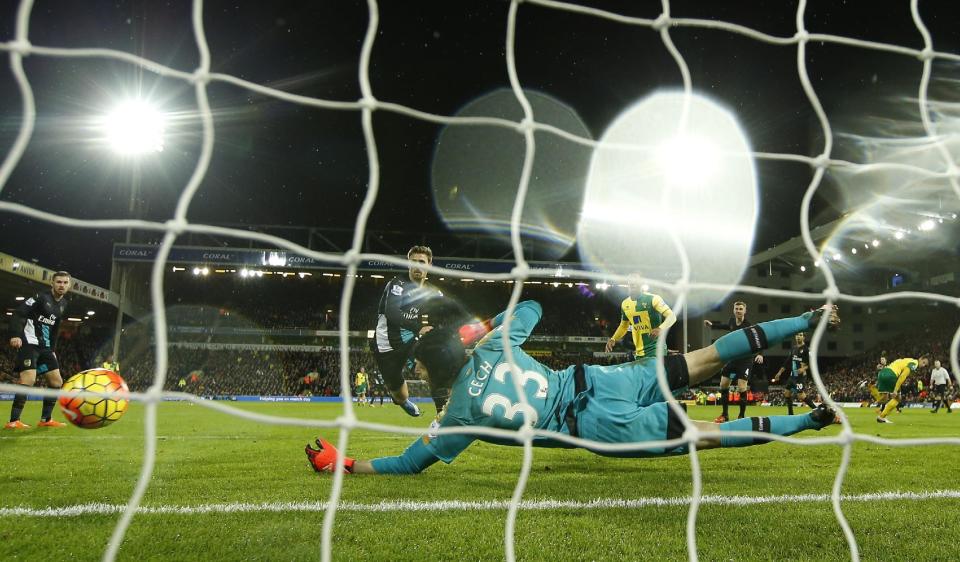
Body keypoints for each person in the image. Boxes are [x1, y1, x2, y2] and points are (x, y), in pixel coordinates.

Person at [305, 300, 840, 475]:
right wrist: (485, 328)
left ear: (433, 372)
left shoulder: (459, 417)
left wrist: (346, 463)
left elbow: (405, 463)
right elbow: (534, 306)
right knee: (703, 359)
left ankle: (810, 422)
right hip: (600, 377)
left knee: (704, 433)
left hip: (593, 424)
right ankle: (805, 318)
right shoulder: (494, 346)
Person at [369, 245, 441, 416]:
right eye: (413, 261)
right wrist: (419, 327)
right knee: (400, 395)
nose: (417, 266)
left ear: (429, 265)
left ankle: (442, 415)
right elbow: (392, 313)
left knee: (433, 369)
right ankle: (400, 400)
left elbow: (448, 313)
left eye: (421, 262)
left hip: (410, 340)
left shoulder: (432, 291)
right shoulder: (397, 284)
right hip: (385, 344)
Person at [4, 271, 72, 430]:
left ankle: (46, 419)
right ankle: (14, 421)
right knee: (28, 379)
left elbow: (55, 329)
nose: (61, 285)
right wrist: (15, 334)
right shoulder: (40, 298)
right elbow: (19, 313)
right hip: (29, 343)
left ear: (69, 286)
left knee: (57, 382)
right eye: (59, 282)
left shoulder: (63, 304)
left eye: (65, 282)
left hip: (46, 347)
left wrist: (53, 349)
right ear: (52, 283)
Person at [704, 301, 764, 422]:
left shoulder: (748, 326)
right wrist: (712, 325)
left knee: (742, 387)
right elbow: (727, 326)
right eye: (736, 309)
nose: (738, 311)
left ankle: (741, 416)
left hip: (745, 360)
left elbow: (759, 338)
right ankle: (725, 415)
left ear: (744, 311)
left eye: (740, 309)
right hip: (732, 359)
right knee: (723, 385)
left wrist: (760, 354)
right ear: (734, 310)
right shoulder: (732, 321)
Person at [605, 274, 676, 360]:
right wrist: (613, 339)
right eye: (631, 282)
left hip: (656, 350)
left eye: (636, 282)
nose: (633, 284)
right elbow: (624, 326)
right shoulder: (625, 304)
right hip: (639, 353)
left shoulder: (653, 299)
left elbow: (672, 316)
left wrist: (660, 328)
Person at [870, 356, 929, 424]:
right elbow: (903, 376)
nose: (923, 365)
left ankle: (872, 393)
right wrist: (896, 389)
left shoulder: (907, 360)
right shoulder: (914, 363)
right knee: (897, 399)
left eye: (925, 365)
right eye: (923, 362)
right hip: (891, 374)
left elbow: (895, 364)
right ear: (920, 359)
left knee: (885, 398)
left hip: (882, 373)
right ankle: (881, 417)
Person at [771, 332, 819, 415]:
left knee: (801, 396)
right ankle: (790, 414)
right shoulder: (793, 348)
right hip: (792, 376)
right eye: (797, 335)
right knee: (786, 392)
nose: (798, 337)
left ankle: (817, 410)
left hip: (800, 377)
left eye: (800, 335)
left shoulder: (806, 350)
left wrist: (803, 368)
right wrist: (779, 373)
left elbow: (810, 363)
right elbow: (787, 361)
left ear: (804, 337)